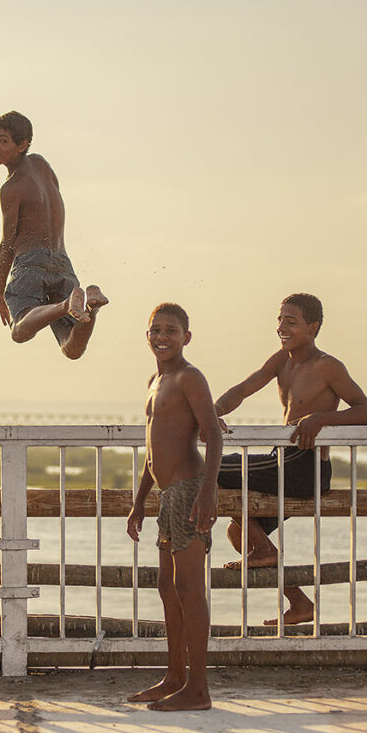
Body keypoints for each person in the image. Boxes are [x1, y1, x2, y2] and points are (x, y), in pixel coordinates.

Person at [215, 292, 367, 626]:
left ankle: (267, 553)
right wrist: (213, 411)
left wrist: (321, 418)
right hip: (281, 460)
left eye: (291, 321)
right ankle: (301, 604)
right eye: (279, 320)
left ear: (312, 328)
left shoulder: (328, 366)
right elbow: (243, 389)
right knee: (239, 533)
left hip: (306, 466)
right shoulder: (281, 361)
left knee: (210, 467)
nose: (281, 327)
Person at [126, 303, 222, 711]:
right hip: (168, 494)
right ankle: (175, 676)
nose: (162, 336)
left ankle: (198, 688)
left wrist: (208, 493)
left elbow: (214, 436)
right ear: (146, 335)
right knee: (166, 587)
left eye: (171, 330)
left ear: (187, 336)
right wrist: (139, 502)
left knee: (188, 589)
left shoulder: (189, 377)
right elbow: (153, 450)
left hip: (189, 490)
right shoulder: (156, 379)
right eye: (155, 330)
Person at [0, 111, 108, 358]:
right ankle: (88, 302)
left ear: (22, 145)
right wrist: (16, 252)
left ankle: (66, 305)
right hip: (61, 263)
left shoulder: (11, 188)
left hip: (31, 265)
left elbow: (6, 244)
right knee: (71, 348)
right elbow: (40, 220)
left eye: (3, 141)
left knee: (19, 330)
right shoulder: (41, 165)